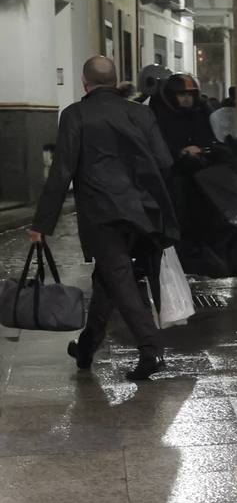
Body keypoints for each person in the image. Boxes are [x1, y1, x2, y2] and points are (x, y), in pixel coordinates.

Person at [29, 56, 178, 381]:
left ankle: (151, 350)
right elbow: (164, 162)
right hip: (142, 212)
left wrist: (42, 224)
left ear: (85, 82)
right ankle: (86, 348)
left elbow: (61, 172)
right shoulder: (141, 112)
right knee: (108, 279)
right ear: (114, 81)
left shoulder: (75, 115)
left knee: (119, 278)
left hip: (103, 214)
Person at [150, 74, 217, 243]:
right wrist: (181, 152)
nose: (187, 99)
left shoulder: (201, 112)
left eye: (190, 95)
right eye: (182, 95)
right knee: (178, 193)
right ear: (173, 96)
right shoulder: (161, 116)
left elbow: (213, 134)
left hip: (202, 166)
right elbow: (160, 144)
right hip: (174, 169)